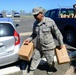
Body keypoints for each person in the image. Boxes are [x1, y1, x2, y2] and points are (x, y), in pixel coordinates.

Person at [24, 7, 64, 75]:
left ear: (41, 13)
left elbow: (57, 33)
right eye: (34, 15)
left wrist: (61, 43)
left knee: (50, 61)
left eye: (36, 15)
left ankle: (51, 68)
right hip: (39, 47)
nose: (35, 17)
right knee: (35, 59)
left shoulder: (50, 21)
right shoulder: (35, 24)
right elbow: (34, 34)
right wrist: (29, 39)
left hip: (48, 47)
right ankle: (31, 71)